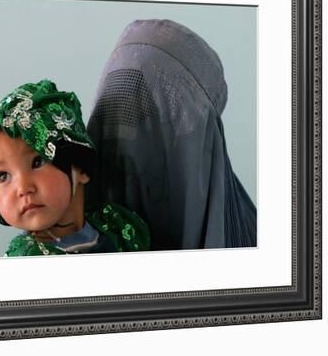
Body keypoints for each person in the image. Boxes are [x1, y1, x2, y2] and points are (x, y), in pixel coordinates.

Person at [86, 19, 257, 250]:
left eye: (154, 113)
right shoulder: (63, 243)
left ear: (205, 135)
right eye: (116, 109)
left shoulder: (269, 250)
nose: (128, 136)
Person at [0, 79, 150, 256]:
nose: (23, 188)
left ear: (80, 167)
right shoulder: (26, 262)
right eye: (2, 176)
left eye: (37, 162)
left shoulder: (117, 227)